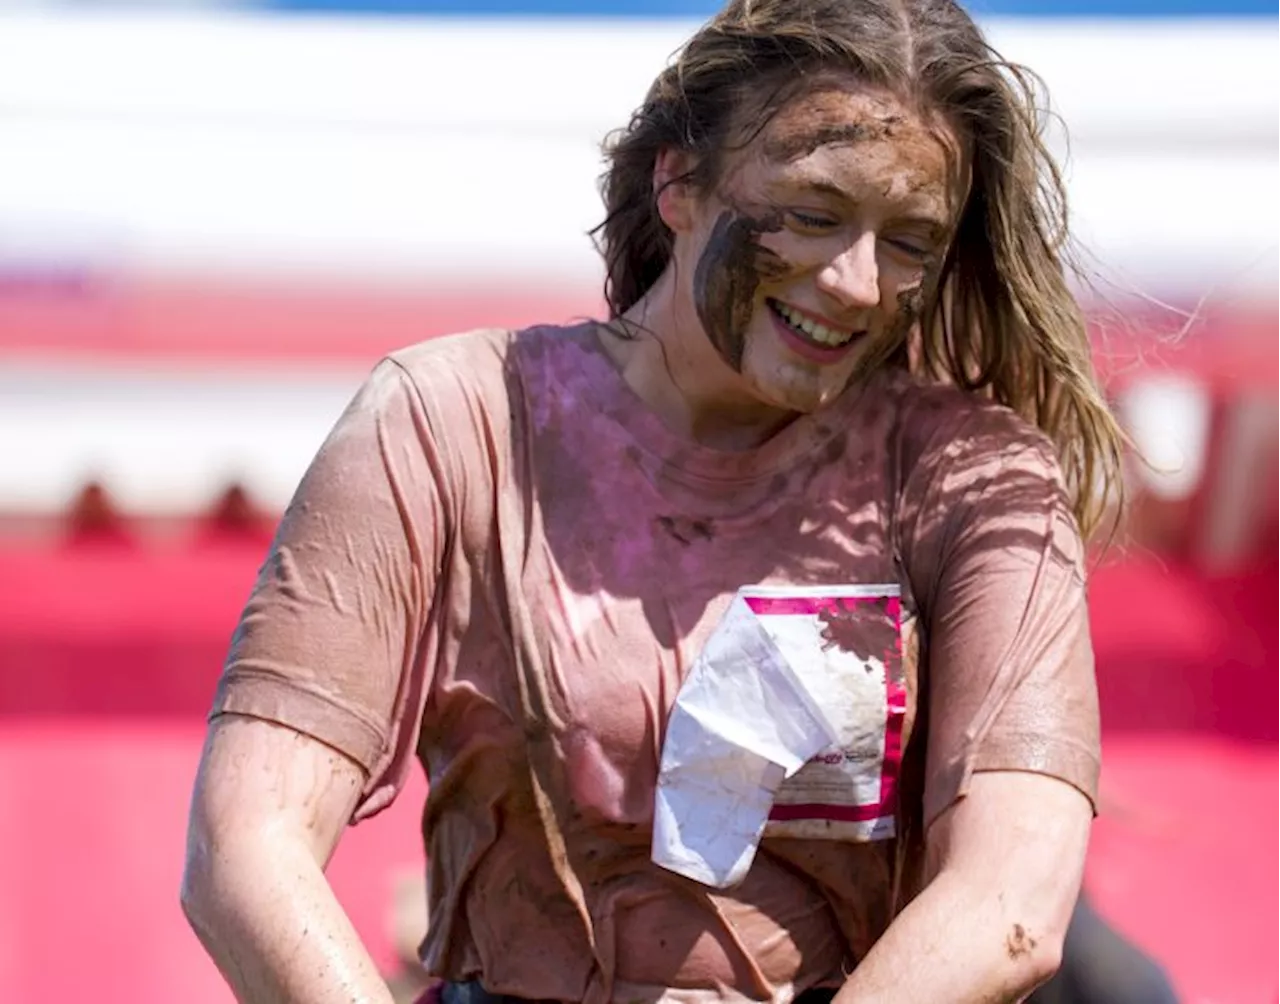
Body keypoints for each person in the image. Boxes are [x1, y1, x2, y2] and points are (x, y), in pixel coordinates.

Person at [180, 1, 1131, 1002]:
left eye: (907, 240)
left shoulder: (972, 478)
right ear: (677, 182)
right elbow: (246, 843)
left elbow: (1009, 905)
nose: (857, 283)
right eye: (812, 214)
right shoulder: (451, 423)